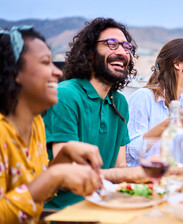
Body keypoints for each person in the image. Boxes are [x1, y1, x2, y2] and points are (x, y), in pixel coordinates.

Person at [0, 26, 103, 224]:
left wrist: (63, 158)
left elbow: (36, 193)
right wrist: (56, 174)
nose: (58, 71)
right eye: (46, 62)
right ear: (14, 72)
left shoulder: (36, 123)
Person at [42, 18, 147, 209]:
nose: (122, 52)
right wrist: (131, 174)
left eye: (126, 47)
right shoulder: (65, 95)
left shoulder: (120, 103)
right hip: (63, 214)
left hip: (106, 205)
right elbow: (68, 175)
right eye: (112, 44)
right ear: (89, 53)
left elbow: (120, 167)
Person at [126, 38, 183, 166]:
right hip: (146, 176)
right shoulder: (143, 98)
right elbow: (131, 149)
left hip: (175, 173)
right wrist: (166, 125)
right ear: (177, 64)